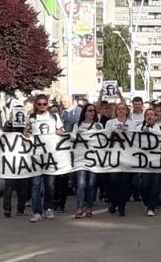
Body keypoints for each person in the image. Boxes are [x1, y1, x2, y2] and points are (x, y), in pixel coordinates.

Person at [24, 94, 66, 223]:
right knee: (36, 185)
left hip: (50, 155)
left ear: (48, 104)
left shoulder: (54, 116)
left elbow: (60, 130)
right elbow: (26, 131)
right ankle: (37, 211)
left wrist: (59, 132)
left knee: (50, 185)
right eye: (39, 104)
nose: (42, 106)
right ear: (36, 105)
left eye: (44, 104)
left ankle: (48, 207)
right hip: (36, 155)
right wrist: (27, 134)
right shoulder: (31, 117)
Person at [73, 104, 103, 218]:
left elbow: (102, 141)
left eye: (93, 111)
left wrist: (101, 131)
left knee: (91, 184)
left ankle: (89, 207)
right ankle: (80, 207)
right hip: (80, 158)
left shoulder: (98, 125)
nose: (92, 113)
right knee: (81, 183)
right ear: (84, 112)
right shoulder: (77, 125)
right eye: (89, 110)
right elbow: (72, 140)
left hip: (94, 158)